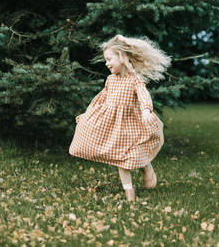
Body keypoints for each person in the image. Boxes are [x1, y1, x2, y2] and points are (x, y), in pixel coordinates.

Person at [69, 34, 171, 201]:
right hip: (114, 127)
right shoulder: (110, 80)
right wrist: (87, 114)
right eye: (105, 60)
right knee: (121, 160)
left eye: (109, 59)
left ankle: (145, 166)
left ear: (122, 57)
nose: (106, 63)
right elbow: (100, 99)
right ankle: (129, 193)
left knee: (134, 153)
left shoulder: (134, 79)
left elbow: (144, 95)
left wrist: (146, 110)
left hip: (131, 125)